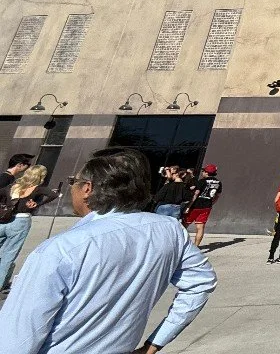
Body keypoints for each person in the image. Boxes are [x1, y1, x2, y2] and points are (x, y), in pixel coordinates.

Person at [0, 147, 216, 354]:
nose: (71, 188)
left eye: (73, 182)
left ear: (87, 188)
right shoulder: (169, 230)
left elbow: (16, 341)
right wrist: (155, 343)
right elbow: (202, 282)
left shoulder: (61, 249)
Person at [0, 164, 56, 292]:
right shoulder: (37, 189)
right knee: (9, 254)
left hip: (4, 220)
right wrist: (38, 204)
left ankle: (4, 279)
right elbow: (53, 195)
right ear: (41, 177)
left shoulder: (12, 187)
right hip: (21, 221)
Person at [182, 164, 222, 247]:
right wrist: (211, 203)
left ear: (207, 172)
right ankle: (196, 246)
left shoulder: (202, 181)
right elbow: (217, 196)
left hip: (195, 206)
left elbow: (196, 194)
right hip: (207, 206)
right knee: (200, 227)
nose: (202, 172)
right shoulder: (218, 183)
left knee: (184, 225)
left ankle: (182, 244)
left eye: (203, 171)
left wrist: (188, 206)